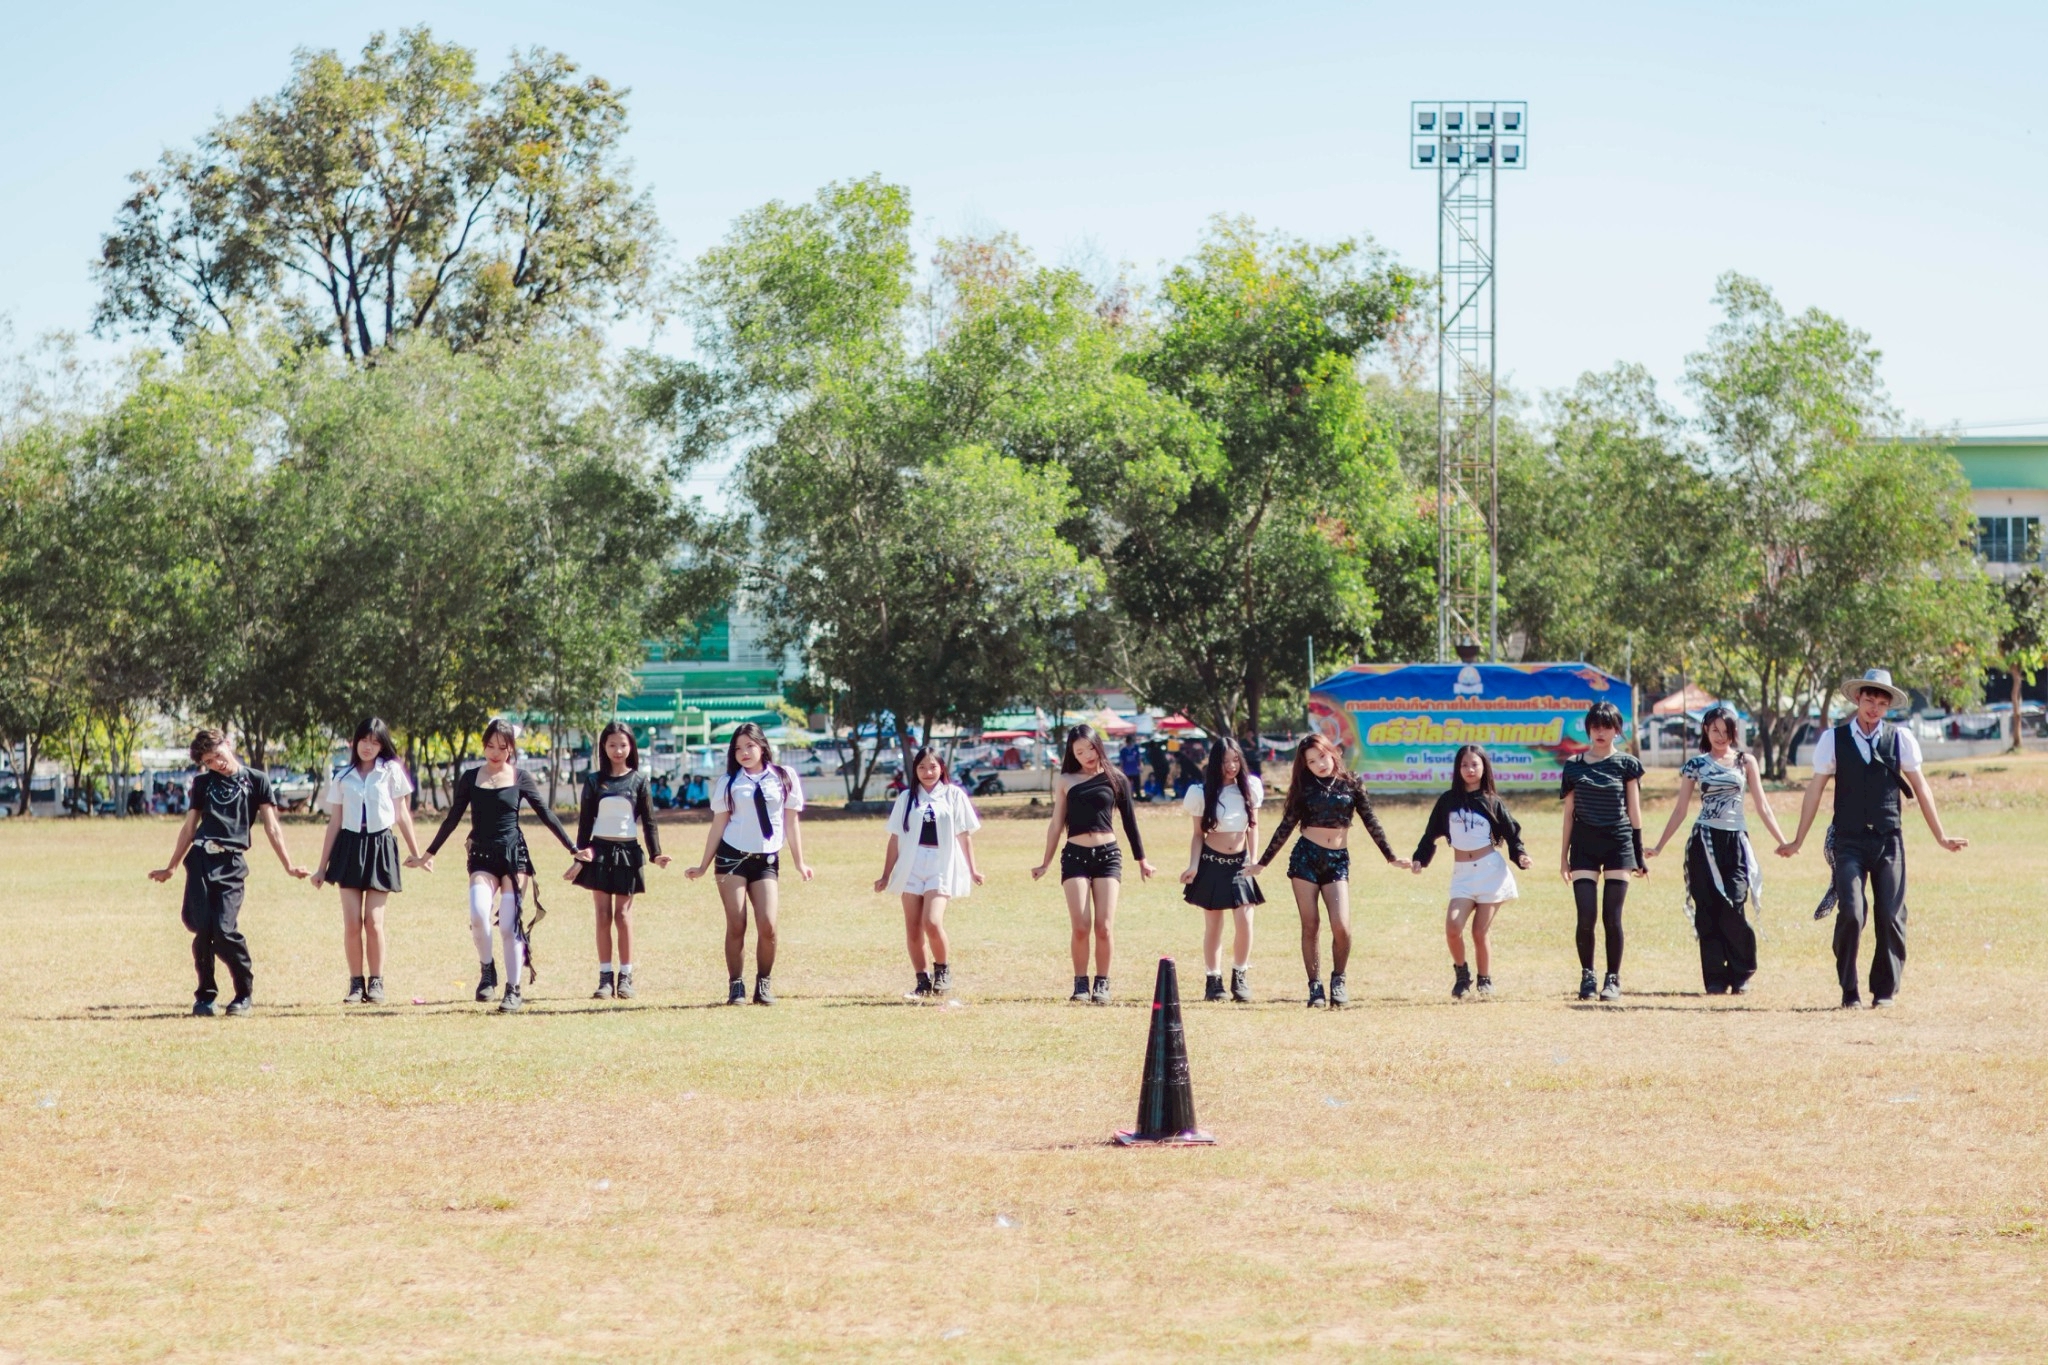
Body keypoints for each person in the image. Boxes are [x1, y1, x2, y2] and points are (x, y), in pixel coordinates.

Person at [1777, 668, 1968, 1008]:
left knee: (1891, 915)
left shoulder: (1900, 739)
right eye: (1869, 700)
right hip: (1848, 840)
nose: (1874, 708)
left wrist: (1940, 835)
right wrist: (1797, 840)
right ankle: (1849, 990)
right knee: (1852, 912)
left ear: (1888, 706)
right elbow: (1815, 790)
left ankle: (1884, 991)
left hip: (1888, 839)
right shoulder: (1833, 740)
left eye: (1881, 703)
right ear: (1857, 699)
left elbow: (1921, 787)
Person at [411, 719, 586, 1013]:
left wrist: (573, 849)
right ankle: (487, 969)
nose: (495, 752)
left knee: (508, 924)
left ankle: (513, 989)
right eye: (490, 746)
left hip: (514, 856)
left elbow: (546, 814)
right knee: (479, 914)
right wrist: (428, 854)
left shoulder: (520, 777)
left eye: (502, 747)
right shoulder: (470, 778)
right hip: (481, 855)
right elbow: (453, 818)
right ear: (483, 746)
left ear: (511, 749)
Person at [147, 729, 309, 1016]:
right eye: (209, 761)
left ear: (228, 745)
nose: (217, 764)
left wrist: (288, 865)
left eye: (218, 756)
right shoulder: (202, 783)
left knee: (224, 930)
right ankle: (205, 996)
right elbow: (189, 828)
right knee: (202, 930)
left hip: (231, 863)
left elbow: (272, 827)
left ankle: (243, 993)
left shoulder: (257, 780)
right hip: (200, 860)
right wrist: (171, 866)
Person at [1250, 733, 1409, 1008]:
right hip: (1305, 858)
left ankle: (1338, 980)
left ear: (1333, 752)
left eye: (1322, 756)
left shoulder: (1352, 783)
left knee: (1342, 927)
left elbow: (1370, 819)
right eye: (1311, 761)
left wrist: (1390, 857)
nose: (1319, 764)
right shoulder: (1304, 787)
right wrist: (1262, 863)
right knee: (1310, 924)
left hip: (1337, 860)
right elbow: (1286, 825)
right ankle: (1315, 986)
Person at [1646, 706, 1789, 995]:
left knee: (1734, 903)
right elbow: (1680, 810)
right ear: (1706, 731)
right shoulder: (1695, 765)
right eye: (1715, 730)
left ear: (1734, 733)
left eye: (1726, 731)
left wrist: (1783, 841)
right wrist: (1659, 846)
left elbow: (1762, 805)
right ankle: (1714, 978)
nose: (1720, 736)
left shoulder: (1745, 761)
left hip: (1735, 842)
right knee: (1707, 910)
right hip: (1704, 842)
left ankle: (1741, 973)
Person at [684, 722, 813, 1005]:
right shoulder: (729, 782)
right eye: (738, 748)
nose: (744, 752)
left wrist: (800, 862)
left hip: (766, 860)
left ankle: (763, 984)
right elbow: (719, 825)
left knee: (768, 925)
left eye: (750, 746)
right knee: (737, 923)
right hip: (731, 858)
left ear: (762, 746)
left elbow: (791, 822)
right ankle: (736, 985)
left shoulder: (784, 776)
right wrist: (703, 865)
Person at [1032, 724, 1156, 1004]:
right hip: (1074, 856)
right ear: (1072, 754)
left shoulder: (1117, 778)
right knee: (1081, 926)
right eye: (1079, 752)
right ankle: (1080, 984)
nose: (1087, 755)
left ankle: (1102, 983)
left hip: (1108, 856)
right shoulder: (1066, 780)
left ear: (1098, 745)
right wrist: (1045, 862)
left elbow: (1130, 822)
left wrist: (1142, 860)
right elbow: (1056, 824)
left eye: (1090, 748)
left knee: (1104, 926)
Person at [309, 717, 423, 1005]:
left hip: (380, 846)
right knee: (352, 923)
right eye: (364, 740)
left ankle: (377, 982)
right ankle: (355, 983)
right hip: (348, 848)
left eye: (374, 742)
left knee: (373, 922)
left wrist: (417, 853)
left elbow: (402, 814)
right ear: (355, 742)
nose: (368, 746)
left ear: (382, 745)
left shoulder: (391, 771)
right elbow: (334, 823)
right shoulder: (343, 777)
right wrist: (321, 867)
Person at [1410, 744, 1531, 999]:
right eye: (1464, 765)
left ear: (1484, 767)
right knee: (1453, 926)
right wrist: (1420, 858)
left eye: (1474, 764)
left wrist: (1520, 855)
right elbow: (1430, 833)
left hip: (1490, 873)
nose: (1469, 769)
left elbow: (1511, 833)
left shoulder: (1492, 801)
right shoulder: (1448, 801)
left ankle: (1485, 979)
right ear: (1457, 769)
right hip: (1463, 874)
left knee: (1479, 931)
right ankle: (1462, 975)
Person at [569, 722, 669, 1001]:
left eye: (623, 745)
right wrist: (579, 854)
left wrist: (656, 854)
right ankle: (605, 979)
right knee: (602, 915)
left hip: (628, 853)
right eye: (612, 744)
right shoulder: (593, 781)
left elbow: (649, 821)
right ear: (604, 747)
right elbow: (585, 822)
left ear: (631, 747)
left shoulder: (639, 781)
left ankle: (626, 977)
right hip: (599, 852)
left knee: (622, 916)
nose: (618, 750)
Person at [874, 747, 985, 998]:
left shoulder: (954, 795)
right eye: (922, 767)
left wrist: (973, 870)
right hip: (911, 865)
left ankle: (942, 970)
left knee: (932, 921)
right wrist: (885, 875)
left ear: (942, 768)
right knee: (913, 928)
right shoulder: (906, 798)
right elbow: (895, 838)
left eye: (933, 766)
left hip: (940, 864)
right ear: (915, 770)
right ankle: (922, 981)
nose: (928, 772)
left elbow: (964, 835)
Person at [1559, 701, 1647, 1002]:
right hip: (1584, 844)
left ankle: (1612, 978)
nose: (1600, 732)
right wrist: (1563, 858)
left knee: (1612, 916)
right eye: (1595, 727)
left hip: (1618, 843)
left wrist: (1638, 854)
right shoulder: (1573, 766)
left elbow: (1634, 812)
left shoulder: (1627, 764)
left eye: (1607, 727)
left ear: (1617, 730)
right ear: (1588, 729)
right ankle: (1588, 976)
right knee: (1586, 915)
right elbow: (1568, 814)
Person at [1178, 737, 1265, 1003]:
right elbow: (1197, 835)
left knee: (1245, 921)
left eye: (1235, 760)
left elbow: (1253, 827)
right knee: (1213, 924)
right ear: (1215, 763)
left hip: (1240, 864)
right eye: (1225, 761)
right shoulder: (1201, 793)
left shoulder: (1250, 788)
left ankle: (1240, 975)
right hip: (1211, 863)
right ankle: (1213, 980)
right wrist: (1193, 865)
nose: (1231, 766)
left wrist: (1254, 859)